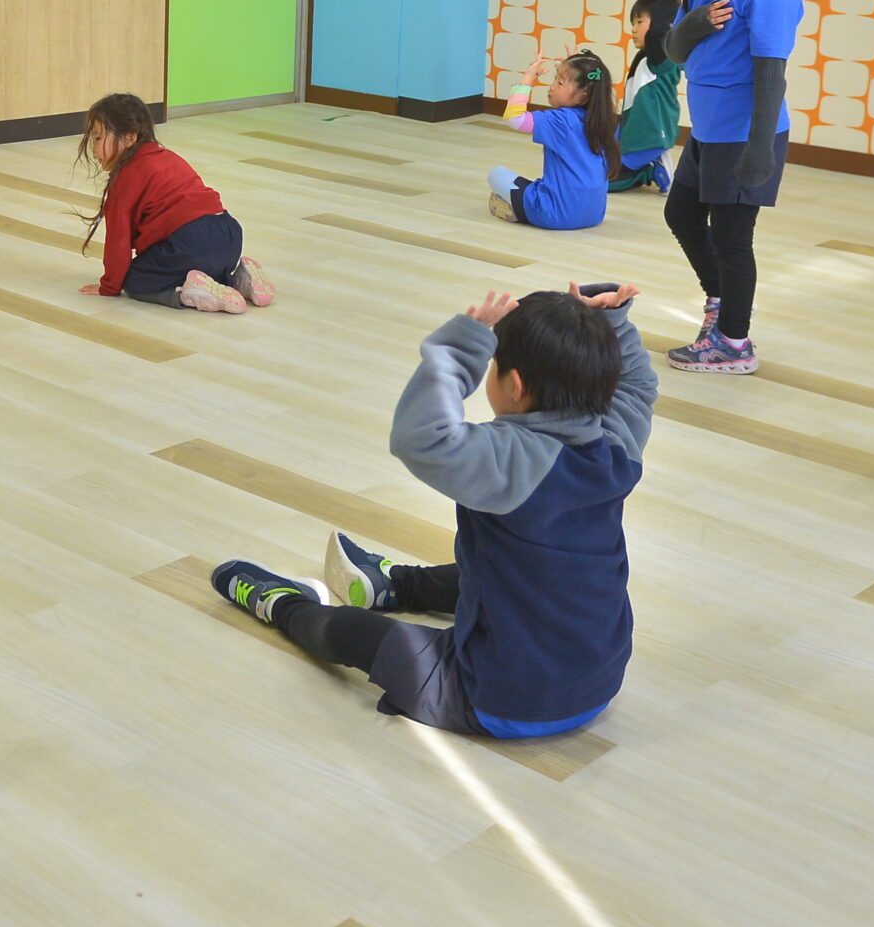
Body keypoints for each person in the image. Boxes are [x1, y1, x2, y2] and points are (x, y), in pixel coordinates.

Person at [211, 283, 654, 741]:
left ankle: (283, 605)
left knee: (354, 635)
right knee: (510, 569)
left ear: (515, 386)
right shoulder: (618, 444)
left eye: (494, 363)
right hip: (598, 682)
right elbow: (639, 386)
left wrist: (465, 345)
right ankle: (393, 585)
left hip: (497, 698)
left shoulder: (509, 459)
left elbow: (422, 436)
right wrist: (613, 323)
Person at [662, 0, 807, 375]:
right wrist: (695, 23)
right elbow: (673, 50)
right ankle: (721, 302)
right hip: (707, 130)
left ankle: (733, 343)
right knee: (680, 216)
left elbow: (771, 75)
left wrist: (759, 148)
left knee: (731, 239)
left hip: (746, 135)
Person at [77, 93, 272, 314]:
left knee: (134, 278)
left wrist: (109, 287)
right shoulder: (167, 157)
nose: (93, 149)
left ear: (130, 138)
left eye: (98, 138)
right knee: (196, 265)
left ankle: (188, 293)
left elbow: (118, 241)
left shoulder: (124, 178)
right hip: (229, 235)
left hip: (191, 241)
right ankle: (238, 279)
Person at [487, 51, 619, 229]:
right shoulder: (603, 121)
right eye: (555, 79)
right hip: (593, 216)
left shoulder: (561, 120)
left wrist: (528, 79)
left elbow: (515, 118)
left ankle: (519, 209)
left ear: (583, 95)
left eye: (560, 82)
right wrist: (577, 69)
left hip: (555, 215)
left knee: (496, 174)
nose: (552, 87)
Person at [610, 0, 682, 194]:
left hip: (650, 137)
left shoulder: (662, 57)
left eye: (639, 22)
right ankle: (646, 164)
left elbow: (658, 31)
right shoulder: (648, 56)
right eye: (632, 23)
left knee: (603, 184)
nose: (633, 29)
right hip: (637, 134)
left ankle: (648, 168)